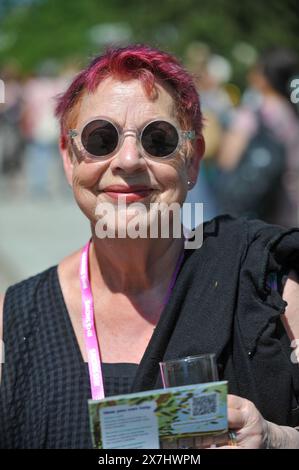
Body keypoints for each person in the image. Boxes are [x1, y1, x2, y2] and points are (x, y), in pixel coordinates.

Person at [0, 44, 299, 449]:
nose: (128, 160)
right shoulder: (17, 319)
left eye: (158, 139)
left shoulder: (271, 286)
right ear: (70, 159)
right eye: (100, 138)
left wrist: (276, 439)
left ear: (192, 162)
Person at [216, 47, 299, 226]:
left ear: (264, 77)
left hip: (255, 218)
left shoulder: (253, 112)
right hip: (288, 211)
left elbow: (227, 159)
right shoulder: (292, 113)